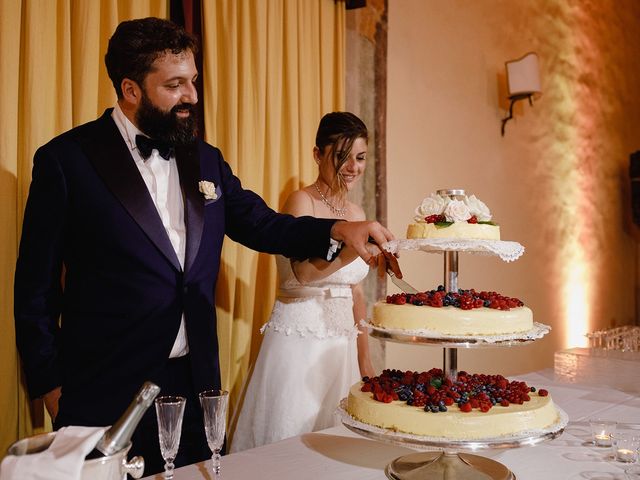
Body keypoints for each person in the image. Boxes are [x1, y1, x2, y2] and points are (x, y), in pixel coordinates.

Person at [13, 18, 399, 474]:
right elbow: (34, 289)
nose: (192, 96)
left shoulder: (205, 158)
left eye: (193, 81)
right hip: (104, 387)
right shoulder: (67, 160)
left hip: (195, 388)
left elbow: (261, 224)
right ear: (131, 89)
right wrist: (53, 388)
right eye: (175, 85)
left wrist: (337, 230)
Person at [230, 112, 377, 452]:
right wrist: (352, 251)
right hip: (300, 340)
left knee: (340, 447)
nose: (352, 166)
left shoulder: (355, 213)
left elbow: (356, 291)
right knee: (290, 444)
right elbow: (299, 276)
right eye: (341, 156)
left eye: (360, 157)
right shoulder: (301, 201)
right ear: (317, 154)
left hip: (341, 346)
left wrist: (365, 356)